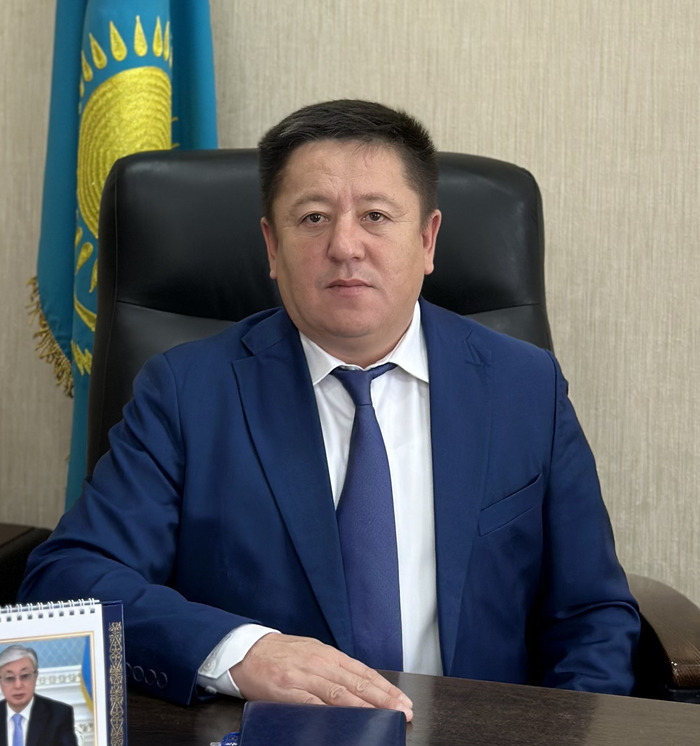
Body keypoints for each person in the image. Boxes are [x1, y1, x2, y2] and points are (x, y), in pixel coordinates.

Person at [19, 100, 640, 720]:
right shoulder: (187, 392)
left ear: (427, 239)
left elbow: (591, 614)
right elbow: (67, 581)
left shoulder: (524, 388)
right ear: (272, 246)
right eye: (313, 217)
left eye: (376, 216)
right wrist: (240, 651)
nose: (345, 245)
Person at [0, 645, 78, 746]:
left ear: (35, 677)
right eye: (9, 678)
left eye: (25, 676)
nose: (18, 685)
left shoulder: (59, 715)